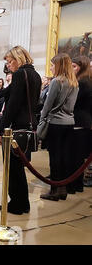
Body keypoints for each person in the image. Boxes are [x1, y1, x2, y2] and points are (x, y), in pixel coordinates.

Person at [0, 46, 41, 214]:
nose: (9, 66)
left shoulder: (20, 74)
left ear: (17, 59)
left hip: (16, 128)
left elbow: (12, 106)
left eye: (9, 62)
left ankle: (16, 203)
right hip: (29, 126)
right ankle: (23, 203)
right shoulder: (34, 74)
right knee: (18, 168)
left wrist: (0, 130)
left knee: (12, 169)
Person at [39, 53, 79, 201]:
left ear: (59, 65)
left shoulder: (57, 82)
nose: (50, 67)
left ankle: (54, 191)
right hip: (69, 123)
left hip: (56, 123)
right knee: (63, 157)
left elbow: (48, 105)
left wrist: (42, 118)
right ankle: (62, 189)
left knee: (54, 158)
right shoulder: (74, 82)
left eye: (52, 64)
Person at [68, 56, 91, 192]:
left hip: (79, 121)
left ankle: (74, 185)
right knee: (77, 157)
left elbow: (74, 103)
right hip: (83, 121)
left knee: (75, 157)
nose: (72, 69)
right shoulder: (85, 81)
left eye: (74, 66)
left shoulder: (82, 83)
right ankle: (77, 185)